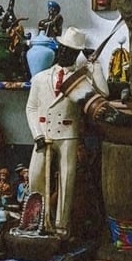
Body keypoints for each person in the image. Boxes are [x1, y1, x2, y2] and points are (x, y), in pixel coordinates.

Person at [25, 26, 87, 239]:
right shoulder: (40, 78)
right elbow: (31, 108)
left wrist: (94, 67)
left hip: (68, 133)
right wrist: (37, 134)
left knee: (67, 179)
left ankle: (61, 225)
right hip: (44, 133)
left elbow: (102, 93)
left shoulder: (80, 80)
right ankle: (39, 219)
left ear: (76, 54)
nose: (64, 53)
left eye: (70, 50)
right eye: (62, 48)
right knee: (35, 175)